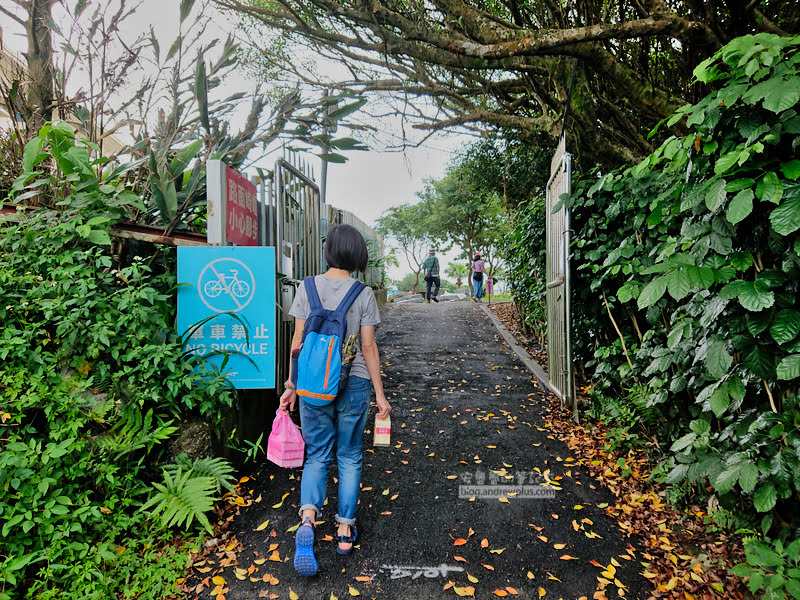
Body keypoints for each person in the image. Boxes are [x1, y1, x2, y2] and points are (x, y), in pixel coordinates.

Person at [279, 224, 392, 576]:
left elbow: (297, 341)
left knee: (317, 455)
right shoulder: (363, 293)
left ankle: (308, 520)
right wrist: (380, 394)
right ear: (358, 255)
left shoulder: (307, 287)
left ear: (328, 251)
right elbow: (368, 346)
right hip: (353, 381)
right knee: (350, 455)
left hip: (313, 383)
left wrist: (291, 384)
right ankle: (344, 530)